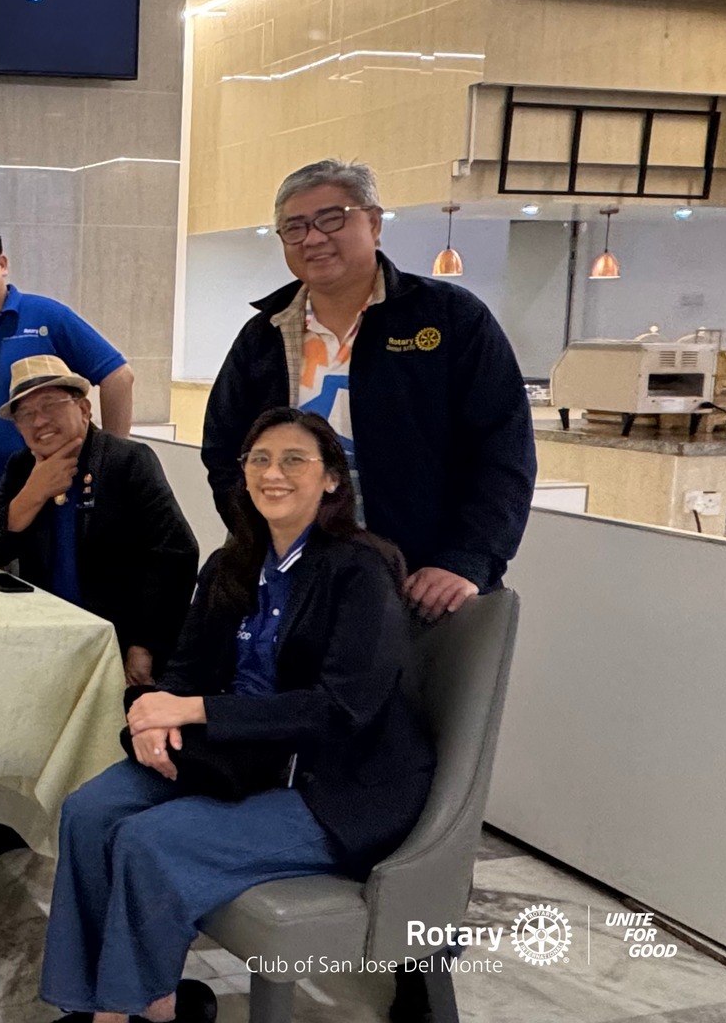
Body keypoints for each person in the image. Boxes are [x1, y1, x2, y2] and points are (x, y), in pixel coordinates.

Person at [41, 408, 434, 1023]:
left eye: (294, 460)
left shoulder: (361, 568)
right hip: (237, 757)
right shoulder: (233, 563)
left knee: (149, 839)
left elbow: (342, 708)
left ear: (332, 478)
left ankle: (124, 1011)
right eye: (260, 460)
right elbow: (185, 666)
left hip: (335, 781)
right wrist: (154, 719)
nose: (273, 473)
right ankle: (114, 1001)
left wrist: (192, 708)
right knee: (89, 811)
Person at [201, 160, 535, 624]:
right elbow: (224, 451)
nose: (313, 238)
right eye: (295, 227)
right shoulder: (264, 335)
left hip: (419, 582)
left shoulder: (449, 318)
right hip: (292, 578)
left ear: (374, 223)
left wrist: (467, 559)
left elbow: (503, 447)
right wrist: (260, 539)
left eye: (331, 218)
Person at [0, 353, 200, 862]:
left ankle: (103, 833)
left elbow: (177, 553)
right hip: (52, 635)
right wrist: (33, 493)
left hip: (120, 637)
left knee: (107, 749)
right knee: (17, 719)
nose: (39, 421)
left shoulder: (127, 462)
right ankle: (15, 820)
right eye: (26, 414)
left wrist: (144, 644)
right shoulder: (22, 467)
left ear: (84, 409)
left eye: (51, 405)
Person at [0, 218, 134, 548]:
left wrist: (110, 463)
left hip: (56, 508)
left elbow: (118, 376)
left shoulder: (46, 316)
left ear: (2, 264)